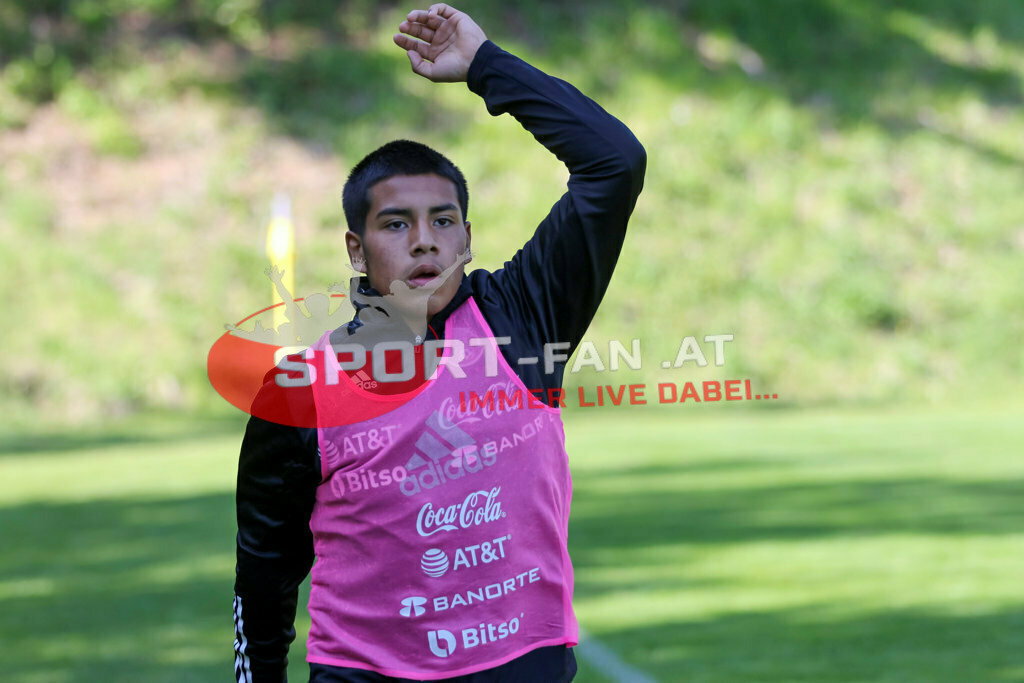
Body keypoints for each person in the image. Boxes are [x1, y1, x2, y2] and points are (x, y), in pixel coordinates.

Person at [232, 4, 646, 681]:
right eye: (397, 224)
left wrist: (487, 67)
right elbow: (263, 578)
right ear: (356, 249)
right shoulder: (301, 389)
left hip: (525, 665)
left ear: (466, 237)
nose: (424, 239)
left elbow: (614, 161)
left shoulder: (525, 317)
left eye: (442, 220)